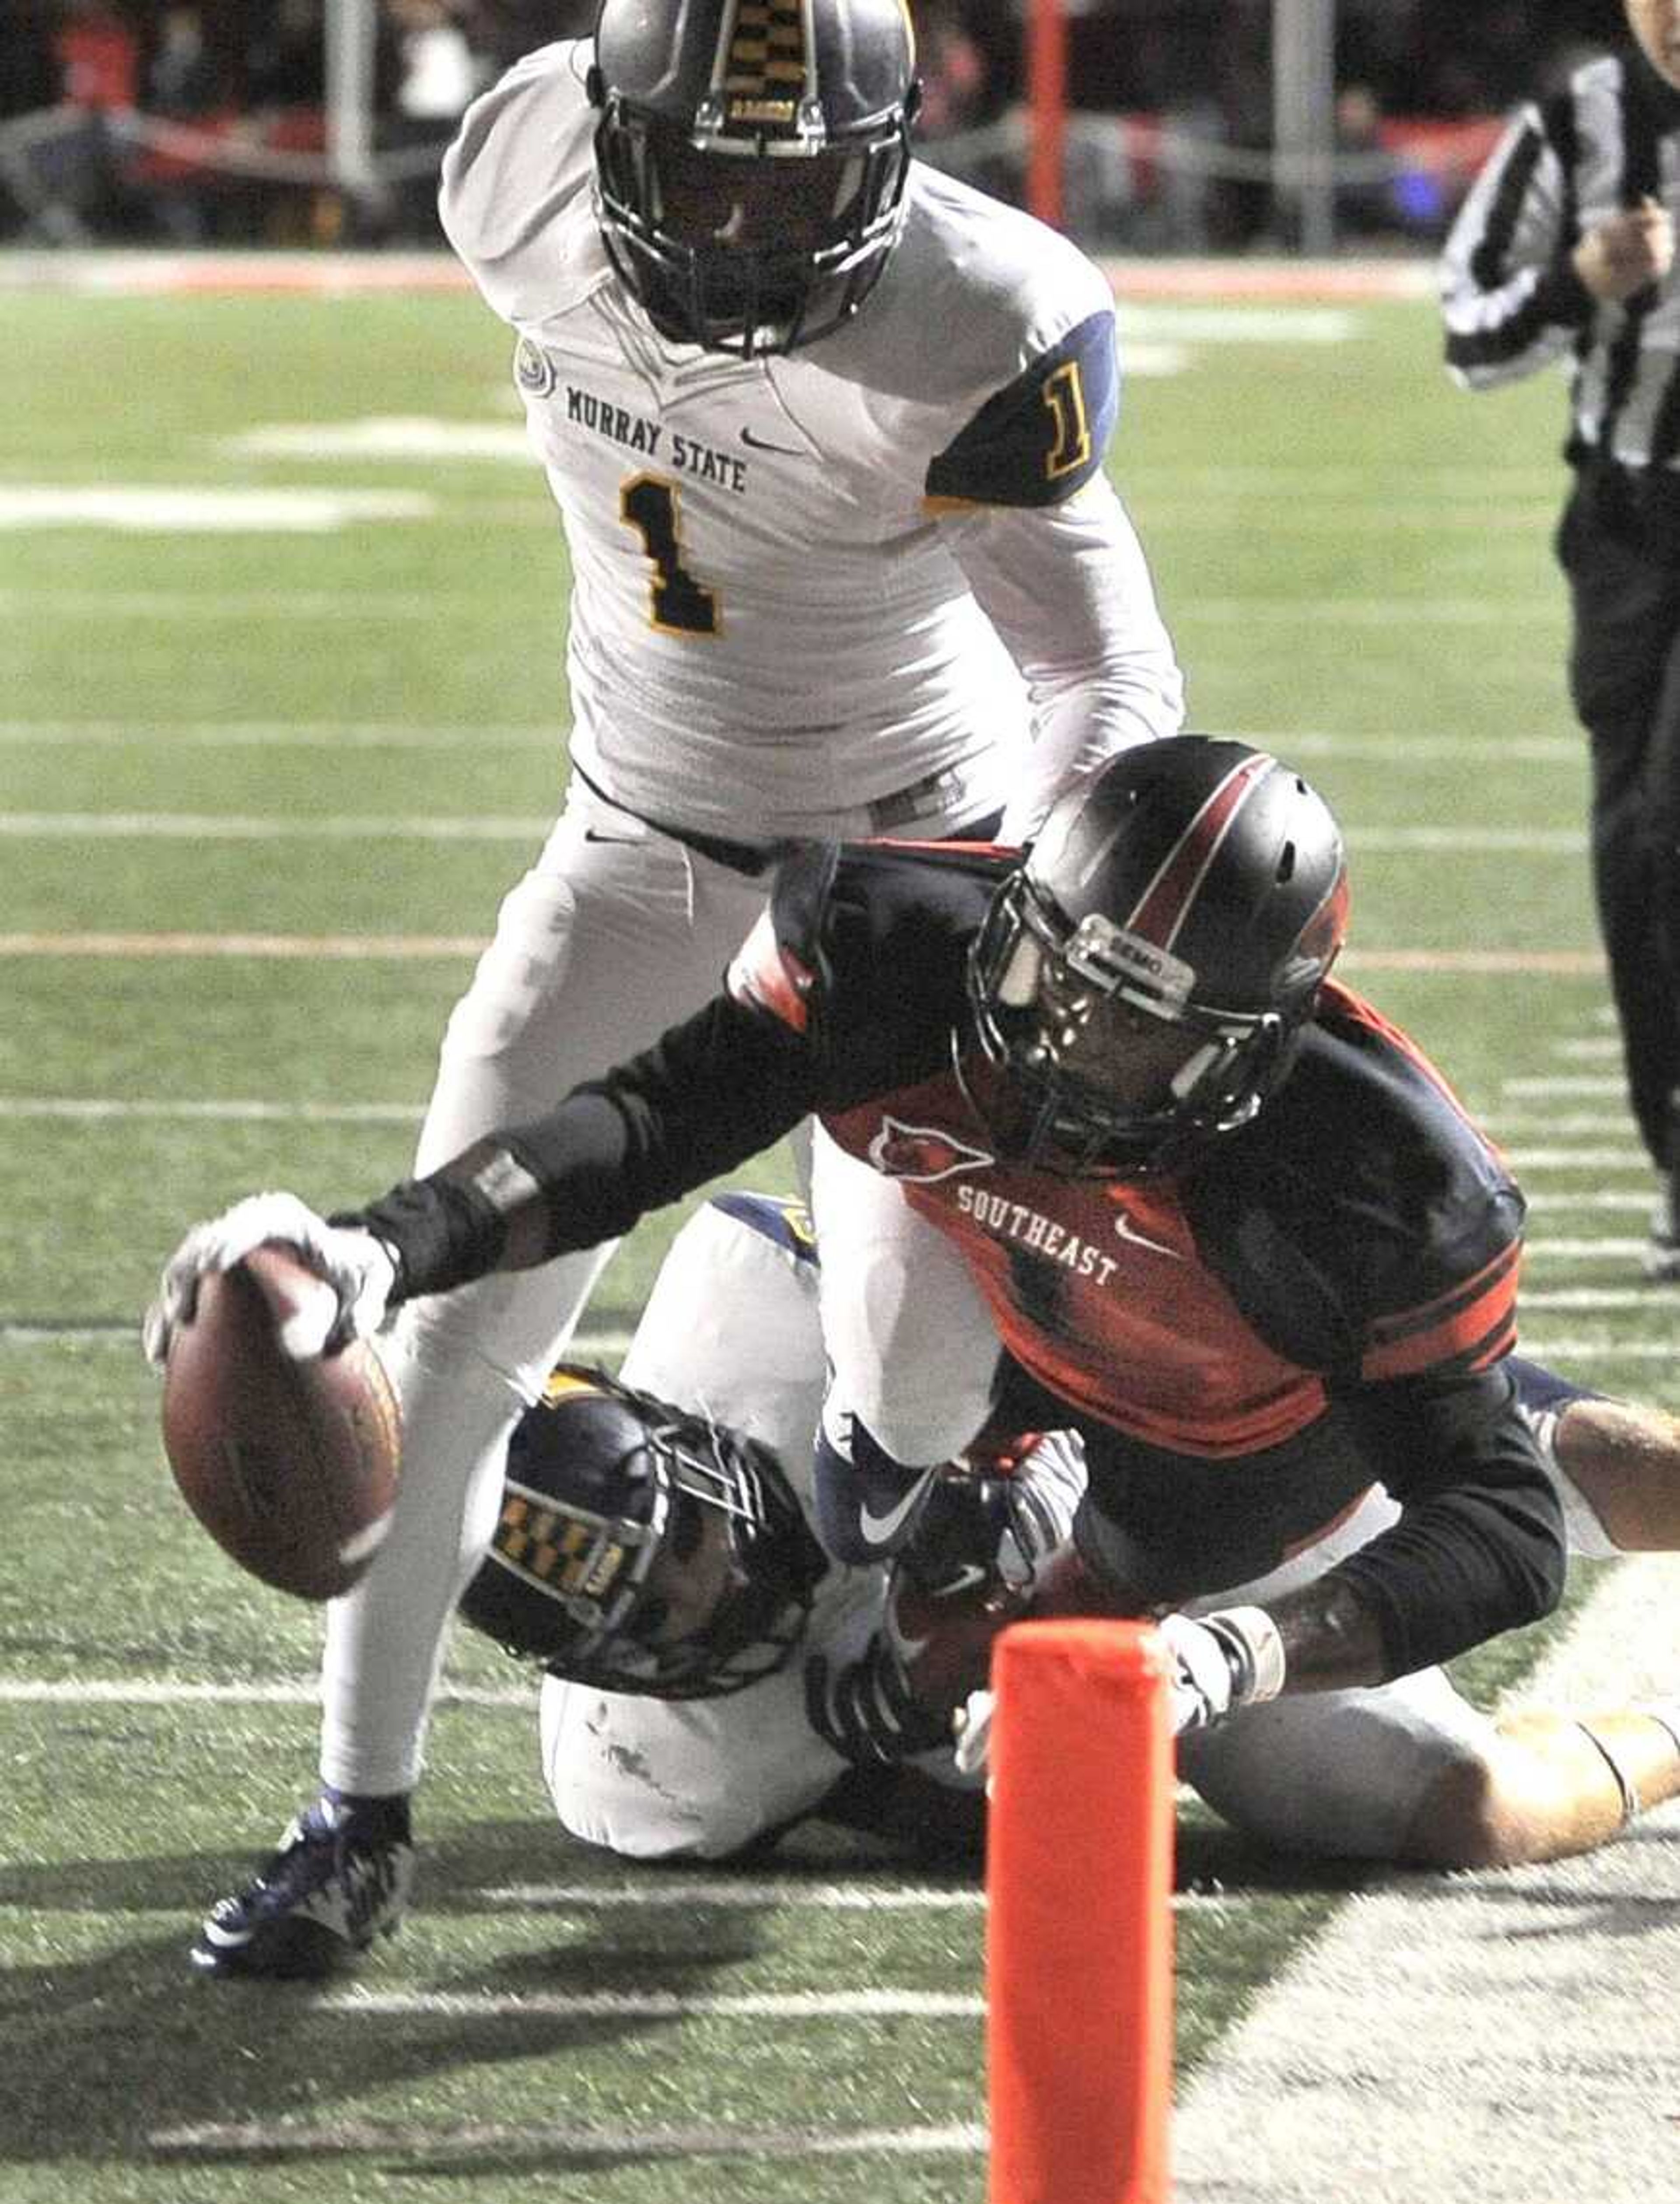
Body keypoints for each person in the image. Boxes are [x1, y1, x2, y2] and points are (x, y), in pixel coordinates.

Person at [163, 0, 1183, 1976]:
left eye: (787, 181)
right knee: (451, 1335)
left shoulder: (987, 311)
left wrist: (1005, 932)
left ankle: (904, 1602)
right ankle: (355, 1819)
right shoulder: (513, 164)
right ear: (609, 142)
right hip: (640, 844)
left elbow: (1112, 685)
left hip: (909, 875)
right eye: (699, 172)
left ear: (889, 162)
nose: (737, 226)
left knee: (918, 1378)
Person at [150, 734, 1669, 1961]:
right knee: (698, 1575)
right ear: (1013, 912)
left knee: (1459, 1783)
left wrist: (1228, 1651)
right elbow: (660, 1116)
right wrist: (384, 1245)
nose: (1073, 1044)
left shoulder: (1383, 1184)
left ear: (1255, 1046)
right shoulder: (897, 945)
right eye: (1058, 982)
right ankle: (949, 1534)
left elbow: (1504, 1540)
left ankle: (1643, 1699)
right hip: (983, 1345)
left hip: (1230, 1472)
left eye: (1140, 1031)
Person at [198, 1187, 1680, 1975]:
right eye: (662, 1626)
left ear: (684, 1431)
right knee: (1460, 1809)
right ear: (598, 1675)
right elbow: (922, 1809)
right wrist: (926, 1711)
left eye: (694, 1548)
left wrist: (1031, 1456)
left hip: (1156, 1433)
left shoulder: (762, 1305)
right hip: (1110, 1654)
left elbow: (1053, 1271)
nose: (716, 1603)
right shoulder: (652, 1780)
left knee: (1542, 1459)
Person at [1440, 0, 1680, 1280]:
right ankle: (1674, 1152)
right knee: (1637, 849)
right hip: (1632, 527)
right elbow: (1467, 331)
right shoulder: (1578, 125)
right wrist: (1580, 282)